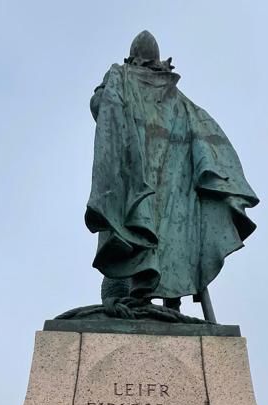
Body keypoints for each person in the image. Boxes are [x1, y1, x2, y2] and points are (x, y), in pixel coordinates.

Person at [86, 31, 259, 319]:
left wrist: (109, 86)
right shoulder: (163, 95)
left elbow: (98, 106)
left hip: (145, 190)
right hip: (149, 190)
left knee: (148, 240)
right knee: (147, 241)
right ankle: (149, 301)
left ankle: (162, 302)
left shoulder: (136, 85)